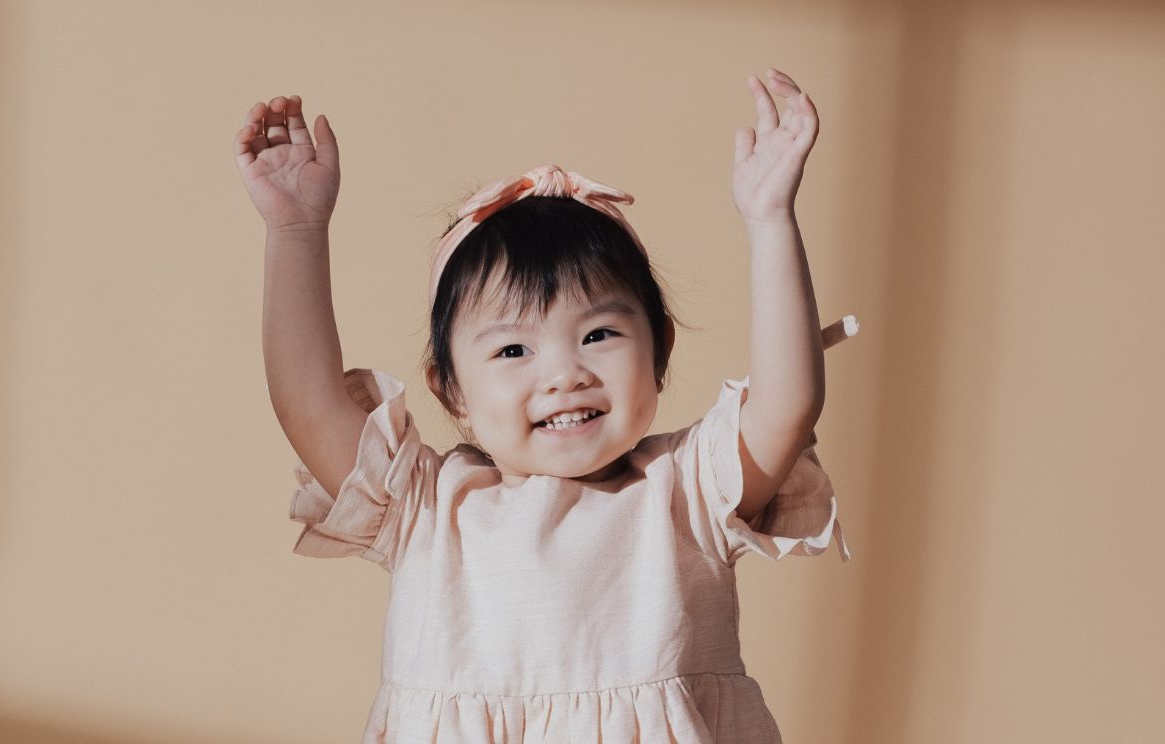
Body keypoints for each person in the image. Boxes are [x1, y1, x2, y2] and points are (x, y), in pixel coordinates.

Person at [233, 66, 857, 743]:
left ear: (659, 351)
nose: (564, 375)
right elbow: (309, 402)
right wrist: (295, 230)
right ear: (451, 390)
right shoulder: (426, 508)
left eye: (598, 335)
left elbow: (788, 403)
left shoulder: (687, 493)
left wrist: (770, 219)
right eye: (513, 350)